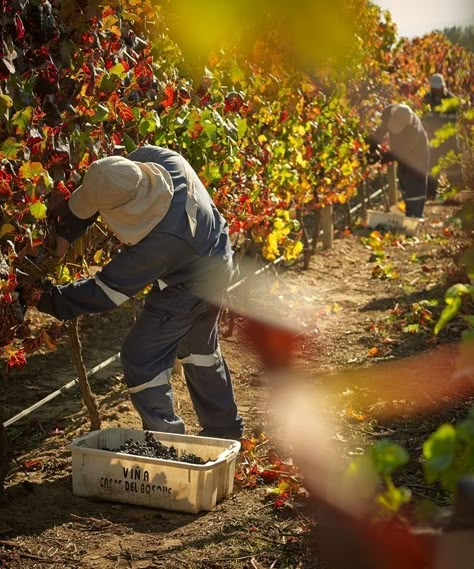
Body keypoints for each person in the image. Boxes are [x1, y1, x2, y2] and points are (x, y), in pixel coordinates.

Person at [28, 146, 244, 440]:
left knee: (141, 357)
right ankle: (225, 430)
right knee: (199, 351)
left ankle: (167, 442)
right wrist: (68, 230)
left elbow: (105, 292)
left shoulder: (158, 244)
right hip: (218, 255)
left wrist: (44, 298)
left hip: (190, 287)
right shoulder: (161, 160)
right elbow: (111, 182)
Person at [368, 103, 429, 219]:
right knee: (403, 178)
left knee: (415, 181)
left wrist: (381, 157)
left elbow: (401, 153)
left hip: (417, 154)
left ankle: (416, 215)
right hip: (400, 148)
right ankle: (409, 211)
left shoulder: (413, 130)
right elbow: (380, 130)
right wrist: (373, 147)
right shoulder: (389, 112)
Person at [422, 73, 459, 198]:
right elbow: (424, 118)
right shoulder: (427, 99)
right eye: (434, 89)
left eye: (438, 89)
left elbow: (452, 122)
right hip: (433, 139)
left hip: (449, 139)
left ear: (443, 87)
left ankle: (457, 192)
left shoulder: (451, 100)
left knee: (453, 166)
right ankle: (431, 195)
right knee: (433, 167)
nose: (436, 91)